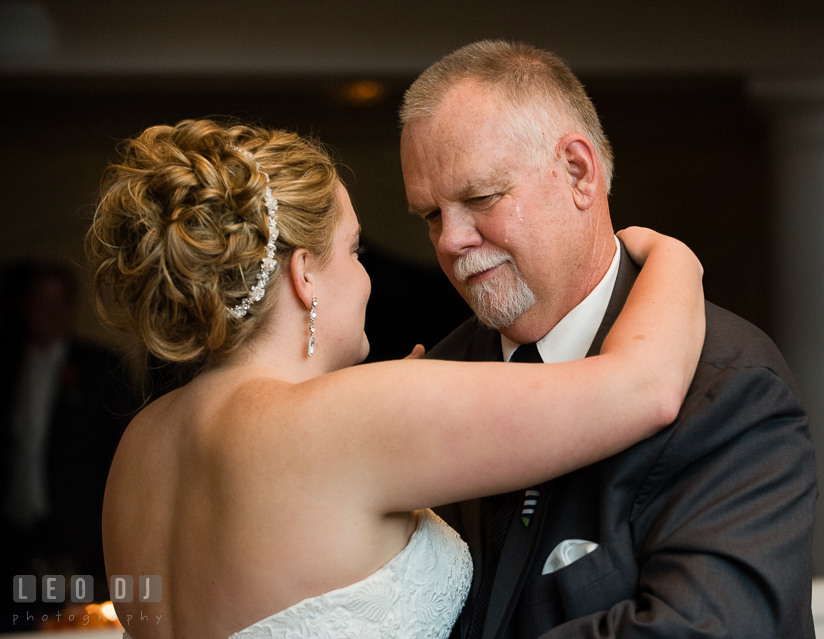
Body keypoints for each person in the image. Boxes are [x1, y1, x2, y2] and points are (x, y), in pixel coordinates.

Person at [88, 118, 705, 639]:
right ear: (304, 275)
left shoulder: (138, 448)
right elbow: (643, 388)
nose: (366, 280)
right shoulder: (344, 420)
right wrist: (674, 256)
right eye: (354, 252)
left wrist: (389, 430)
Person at [399, 40, 817, 639]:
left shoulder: (729, 387)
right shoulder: (432, 380)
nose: (450, 240)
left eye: (480, 199)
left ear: (578, 172)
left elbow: (708, 628)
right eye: (431, 216)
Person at [0, 263, 130, 630]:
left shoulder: (100, 367)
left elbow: (119, 457)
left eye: (60, 301)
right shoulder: (8, 366)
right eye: (42, 300)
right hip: (16, 538)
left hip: (78, 540)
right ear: (24, 305)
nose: (50, 310)